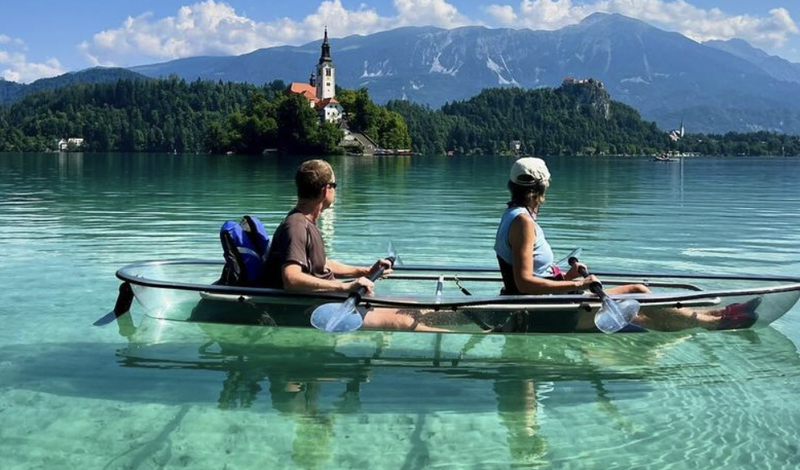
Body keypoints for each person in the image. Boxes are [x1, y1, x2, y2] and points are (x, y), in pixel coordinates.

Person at [491, 157, 761, 333]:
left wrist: (567, 276)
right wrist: (577, 285)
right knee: (640, 300)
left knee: (640, 305)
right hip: (545, 312)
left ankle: (713, 314)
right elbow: (525, 283)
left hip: (547, 303)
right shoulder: (523, 222)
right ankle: (717, 323)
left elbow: (532, 275)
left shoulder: (513, 215)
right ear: (541, 188)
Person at [261, 159, 438, 331]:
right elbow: (291, 279)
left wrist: (365, 271)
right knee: (401, 321)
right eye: (335, 186)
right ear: (326, 190)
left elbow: (322, 264)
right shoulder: (296, 226)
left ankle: (458, 319)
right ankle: (460, 355)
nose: (335, 191)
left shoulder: (306, 222)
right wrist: (345, 286)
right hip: (314, 310)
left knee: (411, 306)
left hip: (329, 300)